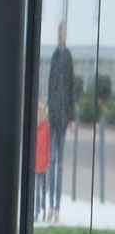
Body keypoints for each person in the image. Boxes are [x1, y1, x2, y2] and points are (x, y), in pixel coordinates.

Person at [47, 21, 75, 222]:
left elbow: (71, 87)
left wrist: (71, 116)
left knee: (59, 164)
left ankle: (57, 207)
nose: (62, 35)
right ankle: (50, 207)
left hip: (64, 117)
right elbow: (50, 85)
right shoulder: (55, 55)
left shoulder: (68, 57)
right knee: (52, 162)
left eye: (64, 32)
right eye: (60, 32)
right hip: (53, 116)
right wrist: (49, 109)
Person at [35, 100, 51, 222]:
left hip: (43, 164)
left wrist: (48, 162)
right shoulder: (35, 129)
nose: (40, 115)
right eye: (38, 112)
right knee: (37, 189)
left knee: (43, 189)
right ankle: (37, 211)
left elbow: (48, 147)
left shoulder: (47, 128)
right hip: (36, 164)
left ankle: (44, 210)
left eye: (42, 112)